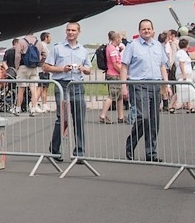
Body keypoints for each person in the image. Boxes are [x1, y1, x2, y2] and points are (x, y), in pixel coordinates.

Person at [120, 19, 171, 162]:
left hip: (155, 85)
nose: (146, 31)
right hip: (138, 85)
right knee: (143, 117)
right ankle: (131, 143)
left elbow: (162, 66)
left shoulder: (158, 46)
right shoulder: (132, 46)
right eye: (143, 29)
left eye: (149, 28)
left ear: (153, 30)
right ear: (139, 31)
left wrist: (166, 85)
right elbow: (124, 66)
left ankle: (151, 153)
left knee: (154, 120)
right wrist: (123, 86)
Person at [43, 22, 92, 162]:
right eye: (68, 30)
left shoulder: (83, 50)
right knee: (63, 118)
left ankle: (79, 153)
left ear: (78, 32)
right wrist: (61, 69)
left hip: (77, 85)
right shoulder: (57, 48)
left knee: (79, 119)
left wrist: (83, 69)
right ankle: (55, 148)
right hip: (62, 85)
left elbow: (89, 69)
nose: (70, 32)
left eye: (73, 30)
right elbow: (46, 66)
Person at [98, 30, 126, 124]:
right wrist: (123, 73)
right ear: (117, 39)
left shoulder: (111, 48)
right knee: (112, 95)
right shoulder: (113, 50)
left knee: (119, 96)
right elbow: (115, 64)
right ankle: (103, 115)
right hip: (114, 75)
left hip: (113, 74)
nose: (121, 41)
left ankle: (121, 116)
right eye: (120, 39)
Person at [13, 33, 43, 114]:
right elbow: (44, 54)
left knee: (21, 89)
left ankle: (18, 108)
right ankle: (33, 107)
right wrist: (40, 64)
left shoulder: (21, 42)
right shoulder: (38, 42)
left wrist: (17, 66)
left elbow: (17, 56)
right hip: (34, 67)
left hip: (23, 66)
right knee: (33, 89)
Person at [173, 37, 195, 113]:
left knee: (184, 90)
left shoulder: (182, 53)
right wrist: (184, 74)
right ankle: (189, 106)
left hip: (185, 74)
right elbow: (181, 63)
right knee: (188, 90)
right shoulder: (182, 53)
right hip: (184, 74)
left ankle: (189, 106)